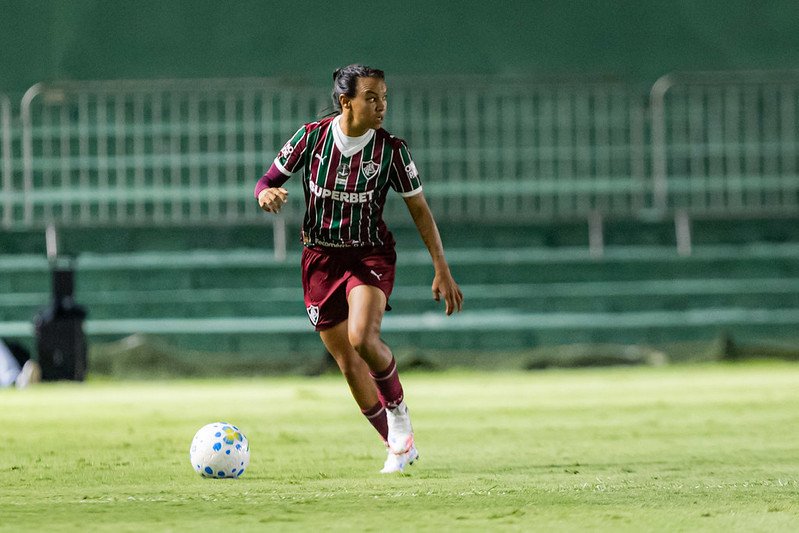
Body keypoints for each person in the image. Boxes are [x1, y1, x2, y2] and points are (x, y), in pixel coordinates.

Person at [254, 64, 463, 473]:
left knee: (363, 338)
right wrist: (266, 196)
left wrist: (442, 266)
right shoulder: (311, 137)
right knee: (348, 363)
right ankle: (398, 445)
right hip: (319, 260)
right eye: (372, 97)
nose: (381, 105)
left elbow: (419, 209)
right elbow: (266, 180)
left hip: (369, 255)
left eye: (384, 97)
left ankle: (400, 418)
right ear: (345, 100)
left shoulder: (391, 150)